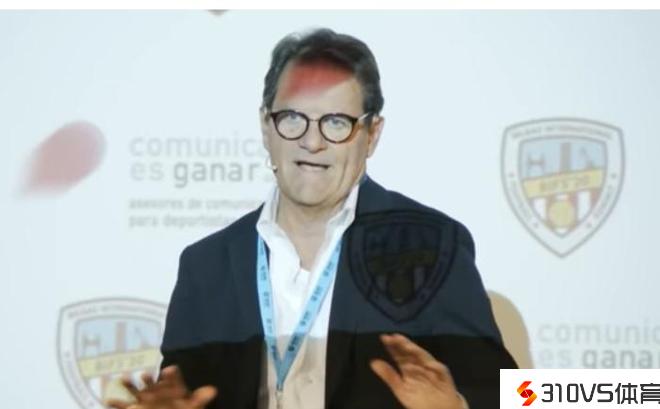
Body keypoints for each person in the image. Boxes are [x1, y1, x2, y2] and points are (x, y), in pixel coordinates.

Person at [107, 28, 517, 409]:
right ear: (266, 126)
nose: (312, 141)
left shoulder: (430, 246)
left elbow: (516, 396)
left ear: (372, 135)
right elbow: (183, 396)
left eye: (336, 122)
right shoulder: (206, 265)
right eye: (292, 119)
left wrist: (457, 407)